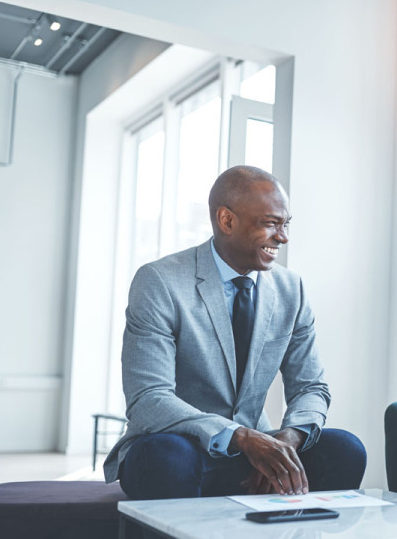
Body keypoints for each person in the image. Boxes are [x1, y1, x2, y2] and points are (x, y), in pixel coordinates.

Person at [102, 165, 367, 499]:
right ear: (226, 220)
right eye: (271, 224)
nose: (283, 237)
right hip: (181, 447)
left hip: (256, 450)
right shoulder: (161, 282)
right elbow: (148, 399)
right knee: (168, 457)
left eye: (285, 225)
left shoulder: (290, 289)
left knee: (345, 448)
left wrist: (288, 440)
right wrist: (239, 436)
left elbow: (311, 386)